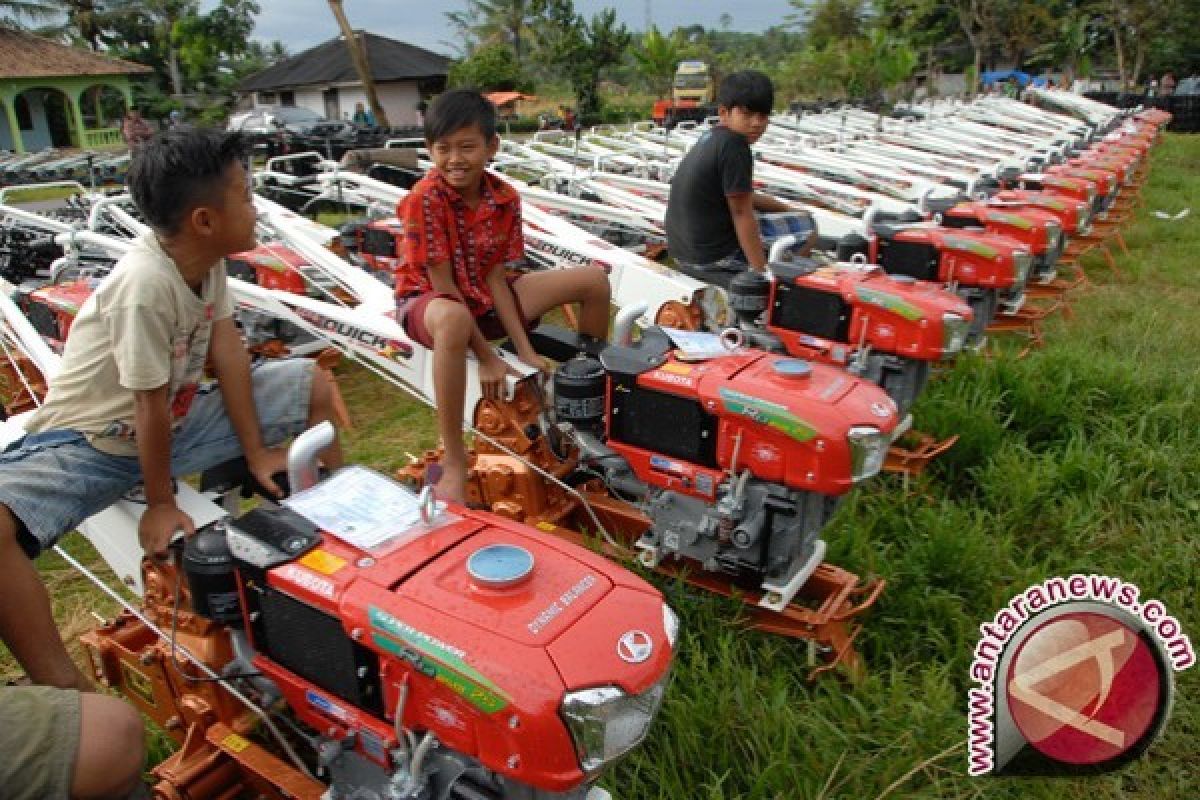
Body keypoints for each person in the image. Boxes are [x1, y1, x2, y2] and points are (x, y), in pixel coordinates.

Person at [0, 128, 345, 789]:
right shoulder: (144, 285)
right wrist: (160, 503)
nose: (256, 206)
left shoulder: (207, 264)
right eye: (246, 194)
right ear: (205, 219)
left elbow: (228, 356)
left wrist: (255, 448)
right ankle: (64, 686)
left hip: (179, 418)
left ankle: (333, 555)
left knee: (315, 387)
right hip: (92, 440)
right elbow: (144, 408)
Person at [393, 89, 610, 503]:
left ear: (492, 146)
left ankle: (587, 400)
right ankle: (456, 459)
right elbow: (443, 286)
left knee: (593, 281)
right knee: (455, 320)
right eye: (443, 149)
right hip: (429, 301)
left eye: (467, 147)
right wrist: (489, 358)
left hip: (482, 296)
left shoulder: (504, 197)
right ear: (429, 151)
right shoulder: (424, 200)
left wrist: (525, 350)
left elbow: (496, 278)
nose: (455, 159)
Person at [665, 70, 815, 276]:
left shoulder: (711, 137)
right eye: (747, 114)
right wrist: (760, 272)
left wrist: (786, 208)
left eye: (762, 116)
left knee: (781, 217)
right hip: (714, 257)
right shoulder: (735, 147)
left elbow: (743, 196)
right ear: (724, 113)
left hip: (682, 252)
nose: (756, 123)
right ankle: (782, 283)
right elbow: (741, 213)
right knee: (809, 226)